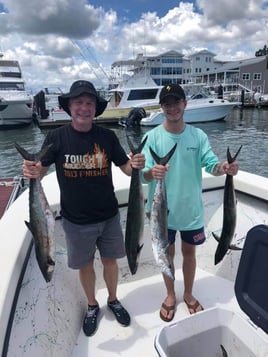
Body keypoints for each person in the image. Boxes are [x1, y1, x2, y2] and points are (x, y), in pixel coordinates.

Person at [22, 80, 145, 337]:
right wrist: (32, 170)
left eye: (89, 103)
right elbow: (41, 171)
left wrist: (136, 164)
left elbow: (124, 167)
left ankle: (113, 299)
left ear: (95, 109)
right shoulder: (56, 138)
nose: (84, 108)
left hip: (108, 216)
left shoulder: (107, 137)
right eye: (78, 102)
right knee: (86, 266)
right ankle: (92, 305)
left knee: (111, 262)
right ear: (69, 106)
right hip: (75, 220)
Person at [141, 83, 239, 322]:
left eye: (176, 102)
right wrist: (152, 172)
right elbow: (142, 174)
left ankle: (188, 293)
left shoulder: (198, 136)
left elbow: (211, 165)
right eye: (167, 103)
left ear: (185, 104)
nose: (172, 107)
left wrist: (224, 168)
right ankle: (170, 295)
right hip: (160, 213)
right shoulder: (151, 137)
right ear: (161, 107)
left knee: (189, 254)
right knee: (166, 254)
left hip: (191, 210)